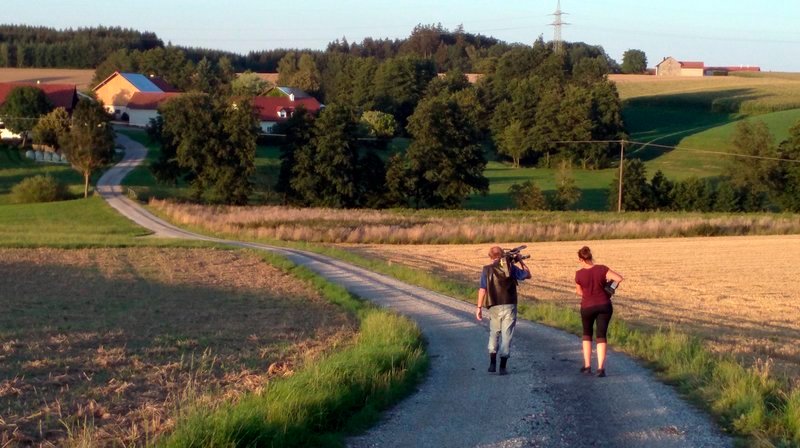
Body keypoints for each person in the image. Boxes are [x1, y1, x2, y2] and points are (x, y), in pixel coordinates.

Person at [475, 246, 531, 375]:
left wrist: (478, 307)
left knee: (494, 333)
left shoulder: (486, 270)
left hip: (494, 305)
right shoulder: (511, 268)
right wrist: (521, 261)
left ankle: (492, 363)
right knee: (507, 336)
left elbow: (482, 289)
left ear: (490, 256)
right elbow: (528, 275)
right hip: (510, 304)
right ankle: (503, 367)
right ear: (502, 255)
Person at [574, 246, 623, 377]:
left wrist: (588, 293)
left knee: (587, 334)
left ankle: (587, 366)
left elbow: (579, 292)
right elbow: (619, 278)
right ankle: (601, 368)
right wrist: (610, 288)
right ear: (590, 256)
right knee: (601, 335)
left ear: (580, 259)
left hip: (587, 306)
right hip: (604, 305)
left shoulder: (579, 274)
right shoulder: (602, 269)